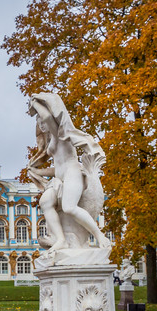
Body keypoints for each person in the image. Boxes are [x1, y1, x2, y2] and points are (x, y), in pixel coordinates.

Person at [26, 93, 112, 254]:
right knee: (45, 201)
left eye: (42, 122)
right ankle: (61, 240)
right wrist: (38, 171)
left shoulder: (60, 134)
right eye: (39, 124)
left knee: (69, 207)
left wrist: (34, 103)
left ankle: (99, 236)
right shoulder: (51, 143)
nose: (42, 125)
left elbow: (47, 117)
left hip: (73, 173)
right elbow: (57, 167)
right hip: (60, 177)